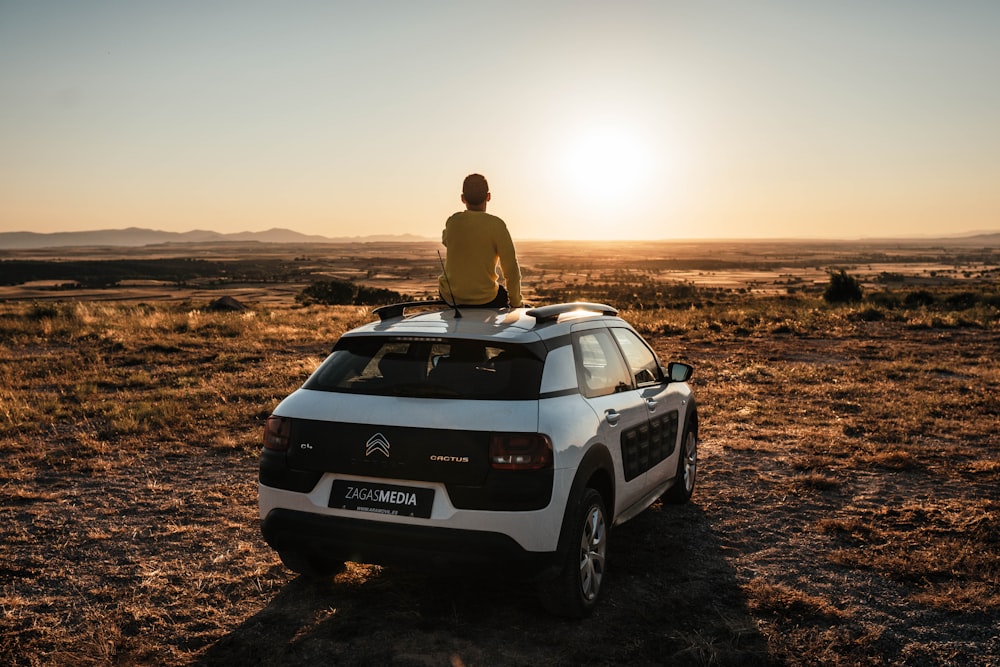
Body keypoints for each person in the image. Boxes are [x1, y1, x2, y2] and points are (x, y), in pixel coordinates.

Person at [438, 173, 523, 308]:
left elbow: (445, 240)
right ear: (488, 197)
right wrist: (516, 304)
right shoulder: (497, 225)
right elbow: (511, 269)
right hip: (486, 299)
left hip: (450, 297)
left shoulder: (453, 221)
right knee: (501, 294)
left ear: (462, 198)